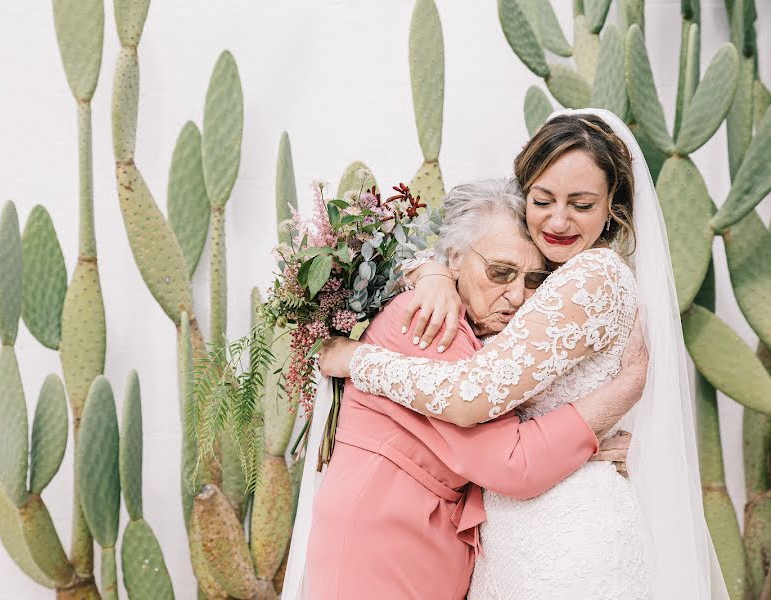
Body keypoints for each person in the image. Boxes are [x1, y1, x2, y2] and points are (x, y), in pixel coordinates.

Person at [319, 109, 728, 599]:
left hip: (562, 530)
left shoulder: (587, 277)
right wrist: (425, 273)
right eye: (543, 199)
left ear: (612, 206)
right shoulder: (439, 312)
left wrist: (357, 360)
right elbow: (496, 427)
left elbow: (479, 397)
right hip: (410, 541)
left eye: (581, 203)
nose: (557, 220)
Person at [282, 177, 648, 599]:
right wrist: (623, 392)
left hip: (422, 543)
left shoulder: (482, 333)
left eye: (535, 281)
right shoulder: (428, 320)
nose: (517, 296)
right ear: (454, 257)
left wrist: (428, 270)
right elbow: (511, 461)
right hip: (382, 541)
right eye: (500, 272)